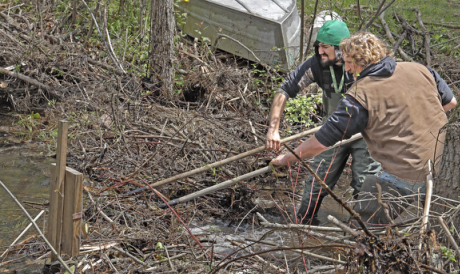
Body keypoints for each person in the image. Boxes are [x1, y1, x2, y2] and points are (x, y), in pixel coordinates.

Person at [271, 32, 457, 208]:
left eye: (350, 62)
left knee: (364, 230)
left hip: (403, 175)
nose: (348, 68)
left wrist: (288, 158)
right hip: (440, 172)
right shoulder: (421, 69)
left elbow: (320, 143)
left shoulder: (360, 94)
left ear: (365, 60)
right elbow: (450, 102)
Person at [266, 20, 381, 223]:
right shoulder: (316, 64)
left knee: (364, 186)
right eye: (318, 46)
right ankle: (303, 225)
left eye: (325, 47)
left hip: (366, 133)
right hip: (332, 132)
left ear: (341, 49)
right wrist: (273, 130)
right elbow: (284, 90)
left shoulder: (362, 64)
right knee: (316, 181)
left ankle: (363, 237)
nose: (320, 51)